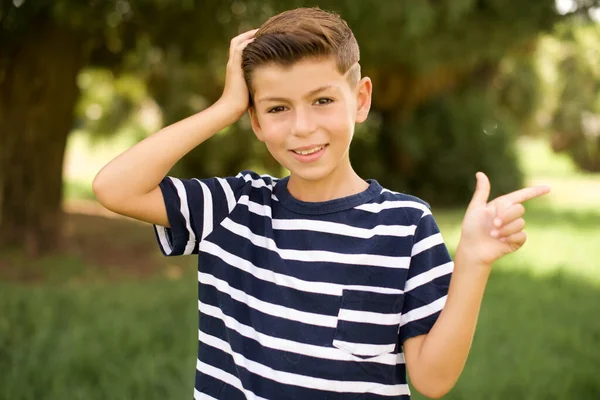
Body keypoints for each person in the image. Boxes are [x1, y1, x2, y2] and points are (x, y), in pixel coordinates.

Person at [93, 7, 550, 400]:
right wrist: (224, 108)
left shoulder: (404, 227)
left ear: (361, 99)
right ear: (253, 119)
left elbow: (433, 380)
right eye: (277, 108)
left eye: (323, 100)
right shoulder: (233, 208)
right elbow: (115, 188)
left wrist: (472, 260)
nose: (302, 127)